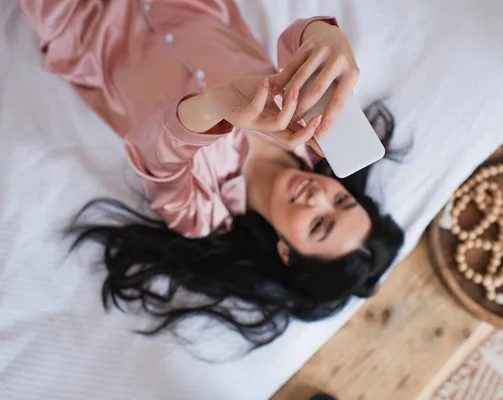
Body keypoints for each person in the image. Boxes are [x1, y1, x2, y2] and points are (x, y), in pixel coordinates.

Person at [19, 0, 404, 349]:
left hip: (82, 22)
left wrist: (219, 104)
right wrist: (322, 38)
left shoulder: (201, 213)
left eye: (319, 224)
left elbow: (153, 150)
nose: (318, 196)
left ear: (286, 252)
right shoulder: (315, 133)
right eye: (341, 199)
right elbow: (294, 47)